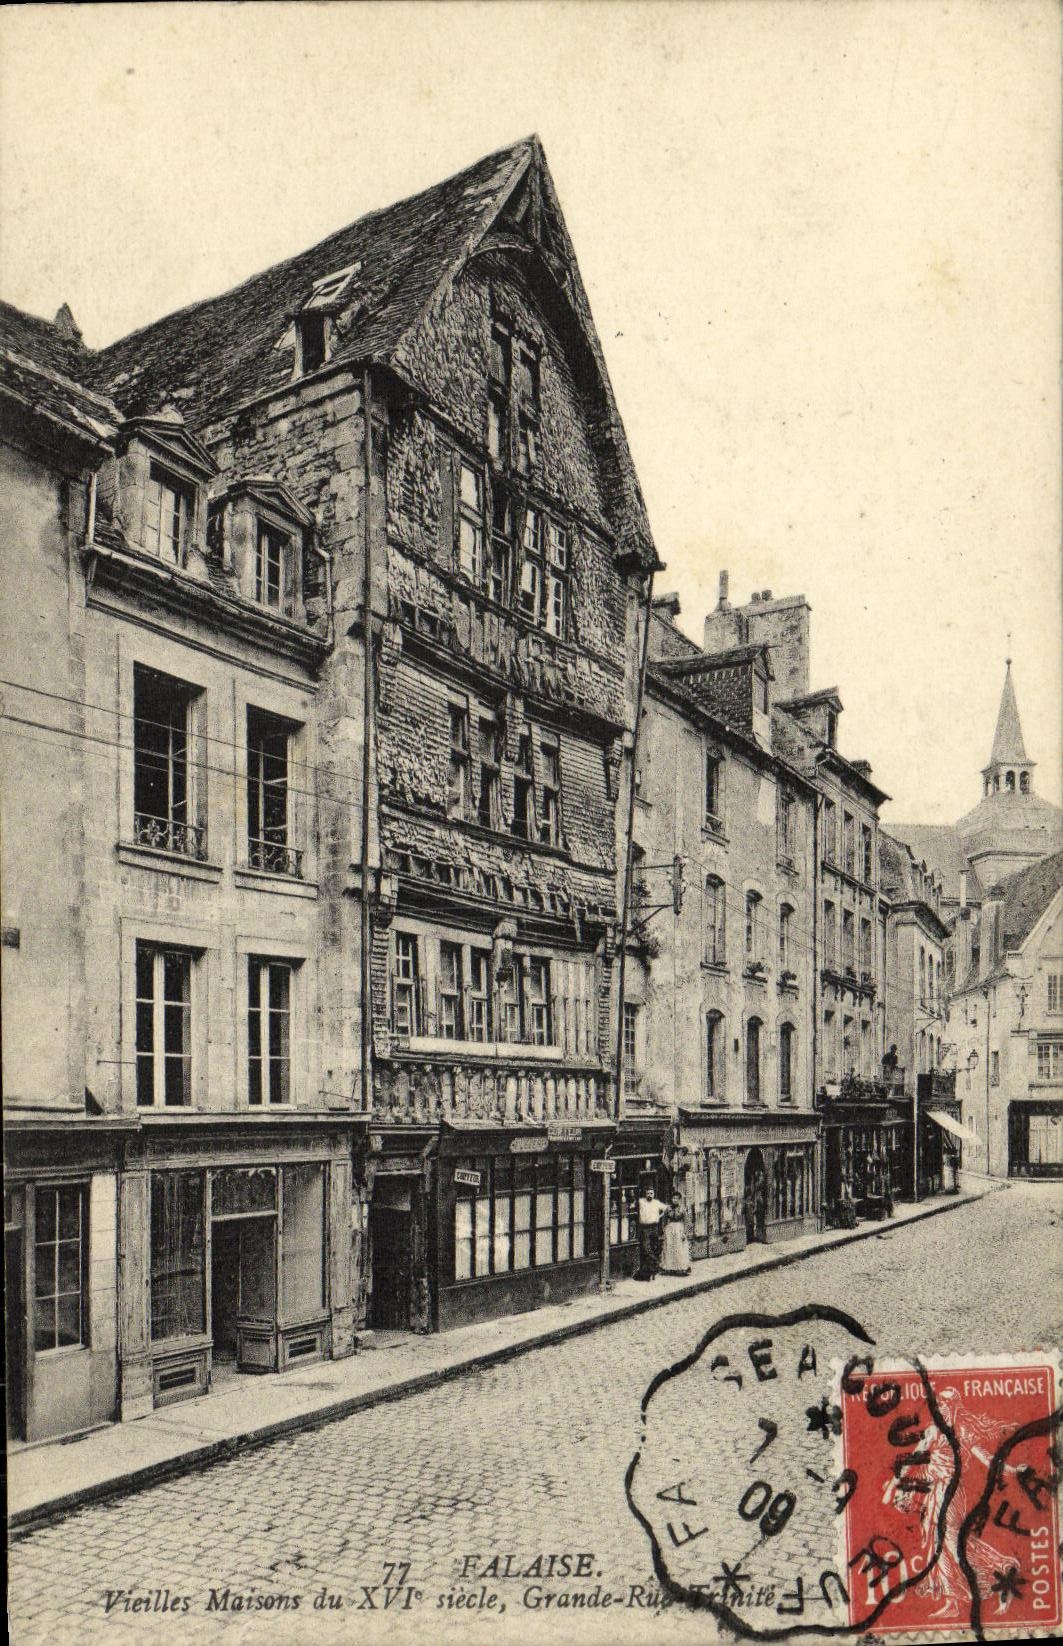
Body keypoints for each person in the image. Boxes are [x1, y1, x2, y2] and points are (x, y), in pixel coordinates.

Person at [635, 1179, 665, 1280]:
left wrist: (659, 1216)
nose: (650, 1195)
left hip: (654, 1227)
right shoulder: (641, 1201)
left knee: (655, 1247)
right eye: (648, 1193)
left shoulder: (656, 1202)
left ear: (654, 1194)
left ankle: (652, 1270)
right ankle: (656, 1263)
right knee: (646, 1248)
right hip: (645, 1228)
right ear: (645, 1194)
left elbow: (666, 1208)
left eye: (651, 1193)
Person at [659, 1192, 692, 1276]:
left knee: (679, 1247)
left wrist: (684, 1233)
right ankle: (669, 1267)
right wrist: (664, 1229)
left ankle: (680, 1267)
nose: (675, 1200)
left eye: (677, 1198)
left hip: (679, 1229)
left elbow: (686, 1221)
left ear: (680, 1200)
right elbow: (664, 1220)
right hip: (670, 1229)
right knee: (669, 1247)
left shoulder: (682, 1209)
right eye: (673, 1198)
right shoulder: (668, 1208)